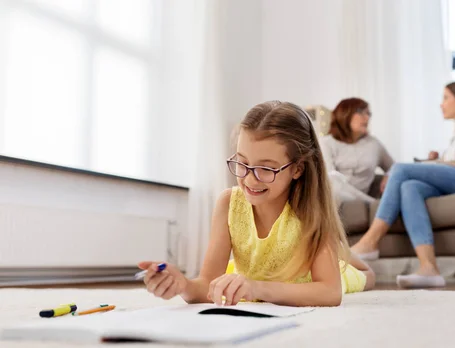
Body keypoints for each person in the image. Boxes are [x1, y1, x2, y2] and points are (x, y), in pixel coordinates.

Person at [139, 101, 375, 307]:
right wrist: (183, 284)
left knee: (361, 273)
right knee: (232, 278)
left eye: (266, 168)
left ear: (297, 169)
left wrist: (258, 289)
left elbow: (330, 292)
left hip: (308, 279)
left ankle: (346, 255)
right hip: (258, 273)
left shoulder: (310, 212)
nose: (250, 179)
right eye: (242, 163)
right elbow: (206, 288)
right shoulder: (228, 203)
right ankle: (341, 252)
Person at [350, 81, 455, 289]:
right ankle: (429, 267)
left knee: (400, 169)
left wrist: (442, 163)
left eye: (446, 98)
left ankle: (370, 241)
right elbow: (453, 165)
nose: (441, 104)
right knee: (409, 187)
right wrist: (436, 160)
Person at [320, 98, 394, 203]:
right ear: (345, 114)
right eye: (361, 112)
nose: (367, 118)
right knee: (332, 180)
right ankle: (373, 204)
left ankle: (373, 205)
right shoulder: (326, 142)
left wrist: (388, 175)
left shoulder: (374, 144)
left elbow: (395, 167)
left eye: (368, 114)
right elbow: (328, 180)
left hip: (356, 202)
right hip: (334, 197)